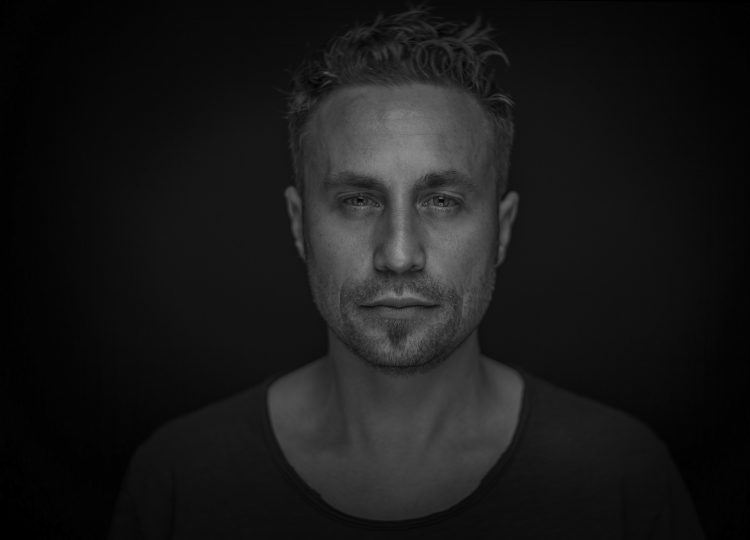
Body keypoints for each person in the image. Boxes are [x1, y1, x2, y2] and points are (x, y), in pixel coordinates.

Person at [109, 7, 704, 539]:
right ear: (298, 224)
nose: (397, 255)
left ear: (502, 229)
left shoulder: (619, 477)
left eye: (442, 200)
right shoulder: (180, 479)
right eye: (357, 200)